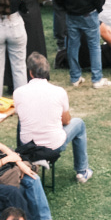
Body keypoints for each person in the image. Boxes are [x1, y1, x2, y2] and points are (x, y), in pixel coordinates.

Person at [13, 53, 92, 184]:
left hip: (28, 144)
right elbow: (66, 121)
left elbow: (20, 115)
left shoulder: (18, 92)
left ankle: (25, 160)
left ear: (30, 72)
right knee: (79, 124)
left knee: (22, 123)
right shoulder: (59, 91)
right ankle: (82, 171)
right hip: (53, 145)